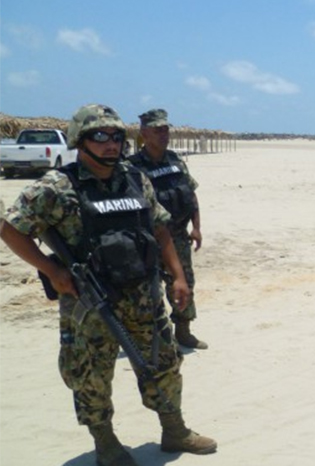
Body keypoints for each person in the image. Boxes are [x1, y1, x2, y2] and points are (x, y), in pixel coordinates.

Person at [0, 104, 216, 465]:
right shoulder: (57, 187)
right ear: (79, 140)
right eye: (100, 136)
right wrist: (51, 271)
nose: (111, 143)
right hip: (90, 303)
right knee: (91, 375)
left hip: (143, 295)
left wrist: (178, 276)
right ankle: (105, 442)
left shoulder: (136, 180)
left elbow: (160, 229)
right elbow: (11, 229)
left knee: (164, 362)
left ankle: (174, 429)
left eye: (117, 136)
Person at [127, 109, 208, 350]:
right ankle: (148, 337)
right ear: (144, 134)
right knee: (145, 290)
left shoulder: (175, 161)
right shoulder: (132, 167)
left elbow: (190, 195)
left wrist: (197, 227)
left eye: (165, 130)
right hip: (146, 239)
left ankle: (183, 331)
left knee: (184, 283)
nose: (164, 135)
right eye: (157, 130)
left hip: (178, 236)